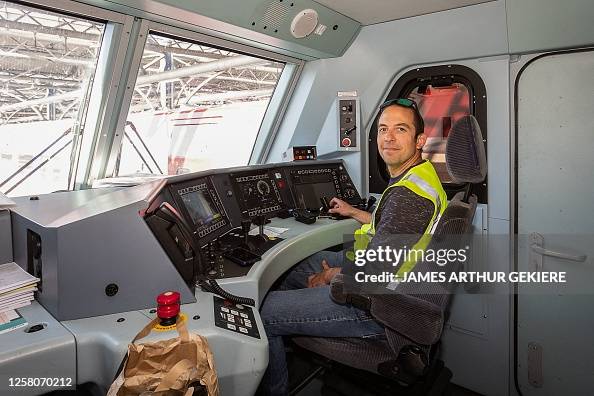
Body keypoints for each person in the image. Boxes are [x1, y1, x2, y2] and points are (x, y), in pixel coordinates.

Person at [259, 98, 447, 395]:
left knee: (261, 314)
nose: (389, 137)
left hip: (375, 306)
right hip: (387, 282)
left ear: (419, 139)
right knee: (296, 267)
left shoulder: (409, 196)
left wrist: (331, 276)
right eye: (384, 129)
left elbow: (374, 274)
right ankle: (296, 318)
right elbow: (395, 229)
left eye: (401, 129)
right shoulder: (418, 178)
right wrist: (355, 213)